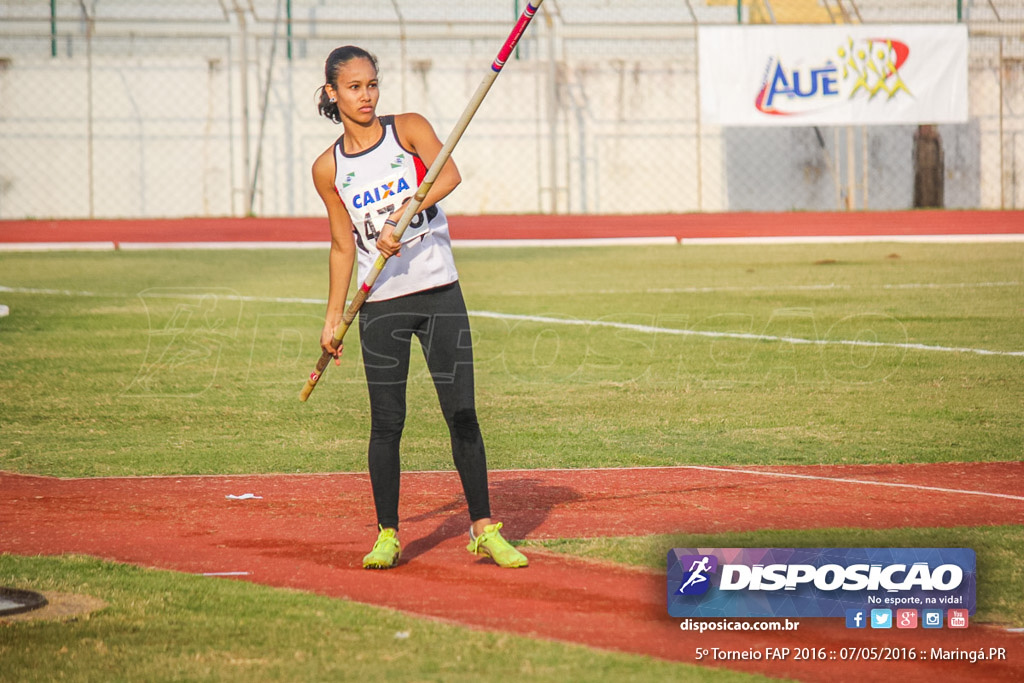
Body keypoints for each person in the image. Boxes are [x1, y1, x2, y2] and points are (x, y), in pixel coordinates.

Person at [312, 45, 528, 570]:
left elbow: (448, 175)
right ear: (332, 94)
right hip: (381, 305)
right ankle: (388, 533)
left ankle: (483, 527)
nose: (366, 96)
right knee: (388, 423)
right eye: (354, 87)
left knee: (463, 413)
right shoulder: (328, 168)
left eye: (372, 84)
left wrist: (404, 215)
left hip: (439, 294)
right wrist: (334, 316)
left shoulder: (406, 128)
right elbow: (344, 246)